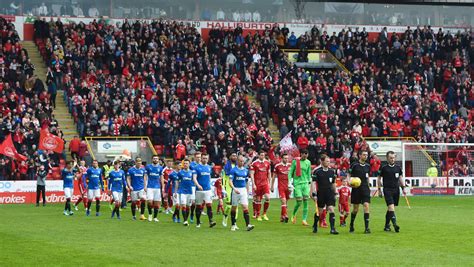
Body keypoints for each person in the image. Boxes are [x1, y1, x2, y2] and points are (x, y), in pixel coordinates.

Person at [377, 151, 406, 233]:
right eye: (391, 158)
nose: (392, 159)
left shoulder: (398, 167)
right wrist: (379, 189)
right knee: (391, 207)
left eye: (393, 157)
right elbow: (379, 178)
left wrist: (403, 187)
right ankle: (395, 225)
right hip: (387, 190)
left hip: (396, 190)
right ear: (387, 158)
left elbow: (400, 177)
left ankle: (386, 226)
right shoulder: (383, 167)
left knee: (391, 209)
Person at [311, 154, 339, 234]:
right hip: (321, 193)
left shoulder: (332, 171)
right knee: (319, 212)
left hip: (329, 193)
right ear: (322, 161)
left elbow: (333, 183)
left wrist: (335, 192)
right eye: (327, 161)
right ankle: (315, 226)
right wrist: (314, 193)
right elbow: (313, 183)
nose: (328, 163)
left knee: (331, 209)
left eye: (329, 161)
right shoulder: (317, 171)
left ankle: (332, 229)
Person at [228, 155, 255, 231]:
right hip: (236, 190)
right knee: (234, 208)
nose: (242, 162)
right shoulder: (233, 170)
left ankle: (248, 225)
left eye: (243, 161)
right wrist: (234, 188)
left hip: (243, 190)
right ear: (237, 161)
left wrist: (247, 191)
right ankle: (233, 224)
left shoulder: (246, 171)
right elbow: (230, 181)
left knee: (245, 207)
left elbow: (246, 181)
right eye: (240, 161)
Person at [348, 150, 371, 234]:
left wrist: (369, 186)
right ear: (360, 156)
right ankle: (351, 224)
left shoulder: (368, 166)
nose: (366, 156)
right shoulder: (354, 165)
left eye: (367, 155)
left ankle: (367, 228)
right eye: (364, 155)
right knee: (355, 209)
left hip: (365, 188)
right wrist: (349, 182)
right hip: (356, 188)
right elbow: (349, 174)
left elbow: (368, 176)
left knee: (366, 206)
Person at [193, 154, 217, 228]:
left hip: (208, 190)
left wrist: (209, 185)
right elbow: (194, 178)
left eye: (206, 158)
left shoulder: (209, 167)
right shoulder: (196, 167)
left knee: (209, 205)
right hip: (199, 190)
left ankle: (211, 221)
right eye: (203, 158)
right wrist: (198, 185)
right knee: (199, 206)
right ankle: (198, 222)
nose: (204, 159)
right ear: (201, 159)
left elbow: (209, 177)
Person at [288, 149, 312, 226]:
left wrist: (310, 181)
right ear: (301, 154)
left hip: (305, 183)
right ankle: (293, 214)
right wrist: (289, 181)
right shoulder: (295, 161)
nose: (305, 156)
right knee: (299, 201)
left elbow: (308, 173)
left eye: (307, 155)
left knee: (306, 200)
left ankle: (304, 220)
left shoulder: (308, 162)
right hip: (297, 183)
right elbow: (291, 172)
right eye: (304, 154)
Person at [250, 151, 272, 221]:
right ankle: (258, 215)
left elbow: (269, 173)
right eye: (261, 155)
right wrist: (253, 184)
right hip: (257, 184)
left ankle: (264, 214)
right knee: (258, 199)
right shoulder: (254, 163)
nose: (263, 157)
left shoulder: (267, 163)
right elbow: (252, 174)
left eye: (264, 155)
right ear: (258, 155)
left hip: (265, 183)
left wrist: (270, 182)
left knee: (268, 198)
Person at [271, 153, 290, 222]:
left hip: (288, 187)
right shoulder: (277, 166)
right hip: (281, 186)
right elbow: (273, 177)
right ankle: (285, 215)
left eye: (287, 158)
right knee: (283, 201)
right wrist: (272, 186)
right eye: (285, 158)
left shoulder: (290, 166)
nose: (286, 159)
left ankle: (282, 217)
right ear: (282, 158)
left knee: (285, 203)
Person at [176, 158, 196, 226]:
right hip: (182, 192)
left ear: (189, 164)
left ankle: (186, 219)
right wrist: (176, 191)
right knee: (183, 205)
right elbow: (177, 182)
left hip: (190, 192)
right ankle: (185, 220)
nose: (185, 164)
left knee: (188, 207)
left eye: (186, 163)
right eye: (184, 163)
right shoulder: (180, 172)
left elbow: (194, 181)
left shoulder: (192, 172)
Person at [145, 155, 164, 222]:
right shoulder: (148, 167)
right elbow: (145, 176)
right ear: (152, 159)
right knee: (149, 202)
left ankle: (155, 217)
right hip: (150, 187)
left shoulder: (160, 168)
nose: (155, 160)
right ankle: (150, 215)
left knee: (157, 203)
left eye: (156, 159)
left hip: (157, 187)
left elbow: (161, 177)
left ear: (158, 160)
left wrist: (163, 187)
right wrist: (145, 185)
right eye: (154, 159)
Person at [222, 153, 237, 227]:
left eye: (235, 156)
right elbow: (223, 178)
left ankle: (234, 223)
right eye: (233, 156)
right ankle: (225, 216)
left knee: (235, 205)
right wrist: (223, 188)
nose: (234, 157)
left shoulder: (238, 166)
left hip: (235, 187)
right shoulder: (226, 167)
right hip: (228, 187)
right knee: (229, 205)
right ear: (230, 157)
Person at [189, 152, 201, 223]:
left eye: (199, 157)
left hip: (200, 186)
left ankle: (198, 218)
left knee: (199, 203)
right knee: (193, 202)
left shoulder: (202, 165)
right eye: (197, 157)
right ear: (194, 157)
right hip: (193, 185)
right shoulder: (191, 165)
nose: (199, 158)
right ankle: (191, 214)